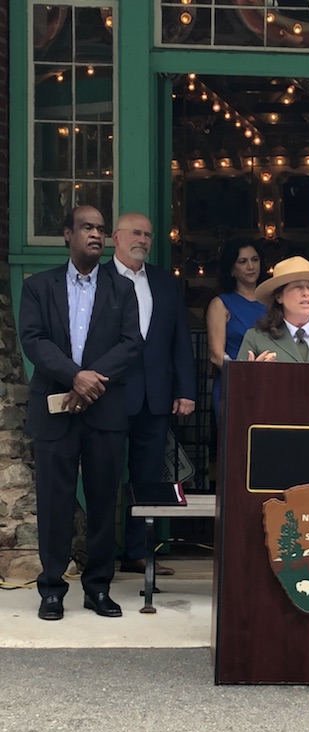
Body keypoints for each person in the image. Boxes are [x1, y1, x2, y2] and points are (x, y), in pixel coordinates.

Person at [18, 205, 143, 620]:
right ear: (67, 234)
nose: (96, 235)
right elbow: (34, 340)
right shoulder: (38, 286)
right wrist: (75, 376)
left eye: (101, 230)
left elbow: (131, 343)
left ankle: (97, 588)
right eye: (87, 227)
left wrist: (92, 379)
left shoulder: (122, 289)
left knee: (105, 501)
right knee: (54, 502)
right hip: (55, 409)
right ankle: (52, 589)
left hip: (104, 409)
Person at [106, 212, 196, 576]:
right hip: (109, 395)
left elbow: (180, 340)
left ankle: (137, 551)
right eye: (135, 233)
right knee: (104, 475)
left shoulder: (163, 281)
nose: (142, 240)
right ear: (116, 237)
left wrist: (186, 390)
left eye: (148, 234)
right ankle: (99, 552)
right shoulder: (98, 279)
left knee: (146, 478)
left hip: (156, 396)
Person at [237, 255, 309, 363]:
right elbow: (237, 384)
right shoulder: (256, 338)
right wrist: (253, 375)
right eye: (298, 287)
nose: (306, 293)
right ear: (279, 296)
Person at [206, 237, 266, 412]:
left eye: (255, 260)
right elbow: (216, 355)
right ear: (231, 269)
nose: (250, 266)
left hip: (269, 384)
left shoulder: (273, 303)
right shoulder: (220, 304)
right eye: (243, 261)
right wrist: (241, 375)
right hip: (234, 385)